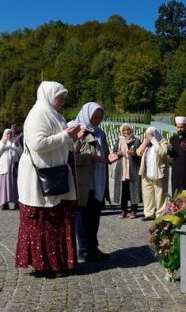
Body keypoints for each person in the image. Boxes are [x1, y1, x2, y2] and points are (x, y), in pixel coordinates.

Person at [15, 81, 80, 277]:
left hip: (55, 171)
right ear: (49, 96)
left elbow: (61, 141)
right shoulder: (38, 114)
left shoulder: (54, 114)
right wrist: (65, 135)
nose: (62, 101)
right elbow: (37, 143)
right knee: (44, 220)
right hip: (40, 176)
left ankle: (58, 263)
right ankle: (45, 265)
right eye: (59, 97)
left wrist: (71, 137)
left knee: (57, 218)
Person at [72, 102, 117, 262]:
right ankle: (84, 249)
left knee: (94, 216)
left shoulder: (100, 134)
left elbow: (104, 155)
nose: (97, 120)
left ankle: (93, 247)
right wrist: (90, 158)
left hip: (98, 180)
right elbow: (70, 157)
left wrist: (111, 156)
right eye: (94, 117)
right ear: (86, 115)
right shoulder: (76, 130)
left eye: (99, 117)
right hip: (83, 181)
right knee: (83, 217)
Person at [137, 126, 169, 221]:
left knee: (160, 194)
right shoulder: (146, 143)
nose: (149, 137)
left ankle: (160, 214)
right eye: (147, 135)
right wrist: (145, 143)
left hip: (159, 172)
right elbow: (138, 152)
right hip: (146, 173)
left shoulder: (163, 142)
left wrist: (154, 141)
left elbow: (163, 153)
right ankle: (149, 213)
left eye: (151, 135)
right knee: (147, 194)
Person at [112, 124, 142, 219]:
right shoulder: (119, 140)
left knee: (134, 189)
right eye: (124, 130)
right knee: (123, 191)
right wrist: (118, 153)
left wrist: (134, 154)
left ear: (131, 130)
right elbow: (114, 152)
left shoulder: (136, 140)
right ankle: (123, 210)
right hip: (121, 169)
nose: (126, 132)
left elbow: (141, 154)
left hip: (133, 169)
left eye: (128, 130)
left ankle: (134, 211)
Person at [168, 116, 186, 195]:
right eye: (178, 127)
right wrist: (170, 149)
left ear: (185, 126)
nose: (179, 129)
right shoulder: (173, 138)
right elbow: (171, 155)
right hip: (176, 169)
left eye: (181, 127)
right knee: (177, 190)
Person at [0, 129, 23, 210]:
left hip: (14, 168)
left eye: (10, 134)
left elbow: (21, 153)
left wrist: (17, 146)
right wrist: (3, 144)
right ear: (5, 135)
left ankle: (17, 203)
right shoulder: (1, 142)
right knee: (5, 186)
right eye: (7, 134)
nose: (9, 136)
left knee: (15, 185)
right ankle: (4, 203)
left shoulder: (15, 142)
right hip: (5, 168)